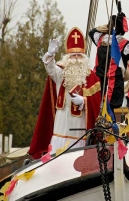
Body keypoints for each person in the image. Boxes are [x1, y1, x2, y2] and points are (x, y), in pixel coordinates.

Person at [28, 27, 101, 158]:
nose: (76, 58)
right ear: (68, 56)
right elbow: (50, 69)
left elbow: (97, 102)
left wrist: (84, 101)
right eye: (73, 55)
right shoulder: (61, 72)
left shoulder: (91, 77)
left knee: (77, 156)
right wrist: (50, 54)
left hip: (79, 125)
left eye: (79, 55)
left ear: (83, 57)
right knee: (57, 154)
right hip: (61, 123)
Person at [89, 12, 129, 113]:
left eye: (111, 23)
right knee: (95, 106)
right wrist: (108, 26)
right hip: (97, 80)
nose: (108, 24)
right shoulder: (102, 38)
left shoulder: (124, 43)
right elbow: (92, 32)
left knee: (108, 110)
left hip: (113, 82)